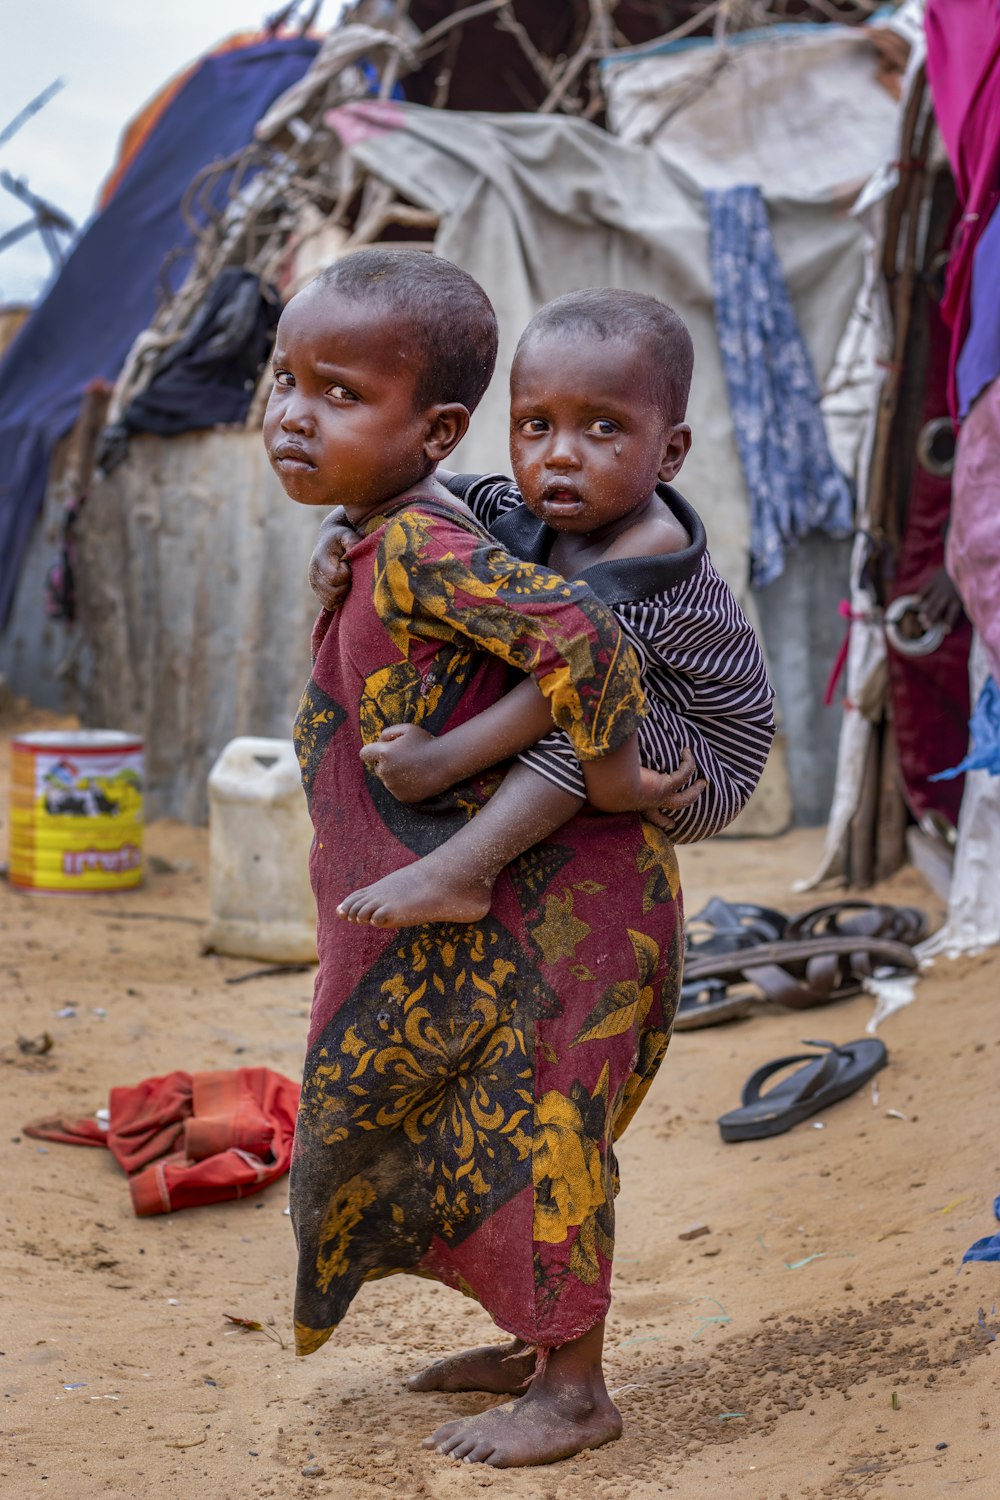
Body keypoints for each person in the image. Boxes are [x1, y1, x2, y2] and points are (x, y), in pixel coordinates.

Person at [265, 249, 688, 1468]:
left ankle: (573, 1391)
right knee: (463, 1116)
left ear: (437, 427)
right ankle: (531, 1339)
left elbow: (593, 642)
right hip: (505, 915)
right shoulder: (390, 537)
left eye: (338, 392)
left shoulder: (422, 550)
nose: (295, 413)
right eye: (283, 381)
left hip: (563, 913)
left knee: (546, 1123)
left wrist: (602, 776)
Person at [312, 289, 775, 929]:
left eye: (603, 427)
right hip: (615, 703)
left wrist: (440, 762)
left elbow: (581, 671)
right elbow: (403, 487)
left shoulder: (650, 559)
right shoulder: (524, 504)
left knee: (579, 715)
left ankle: (461, 871)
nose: (558, 454)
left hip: (697, 755)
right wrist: (335, 530)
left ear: (670, 452)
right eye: (535, 425)